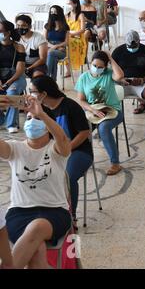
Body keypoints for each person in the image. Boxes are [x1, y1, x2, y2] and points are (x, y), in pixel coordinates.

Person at [0, 94, 72, 269]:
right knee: (37, 252)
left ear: (47, 125)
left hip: (55, 212)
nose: (32, 120)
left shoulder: (56, 149)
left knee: (36, 227)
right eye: (29, 117)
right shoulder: (15, 148)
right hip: (19, 213)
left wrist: (42, 114)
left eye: (36, 118)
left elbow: (63, 140)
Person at [30, 76, 93, 229]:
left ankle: (71, 217)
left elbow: (84, 132)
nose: (30, 94)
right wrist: (33, 115)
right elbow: (36, 135)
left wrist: (67, 148)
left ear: (43, 94)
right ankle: (45, 214)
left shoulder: (70, 106)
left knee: (67, 177)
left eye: (33, 91)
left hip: (78, 151)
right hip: (53, 152)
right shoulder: (41, 110)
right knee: (33, 174)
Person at [75, 51, 125, 176]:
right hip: (93, 111)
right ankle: (80, 160)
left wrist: (110, 58)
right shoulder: (83, 78)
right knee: (79, 129)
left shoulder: (108, 74)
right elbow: (81, 100)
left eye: (100, 67)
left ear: (105, 67)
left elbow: (119, 75)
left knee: (103, 128)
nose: (96, 68)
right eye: (94, 65)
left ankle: (115, 163)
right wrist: (93, 110)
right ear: (90, 63)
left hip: (112, 110)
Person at [112, 30, 145, 139]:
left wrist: (142, 80)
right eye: (130, 46)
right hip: (122, 82)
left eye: (135, 45)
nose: (132, 48)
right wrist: (120, 80)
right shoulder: (118, 52)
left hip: (142, 81)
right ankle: (105, 125)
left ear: (139, 42)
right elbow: (111, 73)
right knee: (106, 91)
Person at [0, 20, 27, 134]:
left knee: (12, 93)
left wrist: (7, 83)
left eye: (2, 31)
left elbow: (20, 70)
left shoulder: (19, 47)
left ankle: (11, 124)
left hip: (16, 77)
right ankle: (2, 121)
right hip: (1, 77)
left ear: (9, 32)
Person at [43, 5, 70, 81]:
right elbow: (44, 40)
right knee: (53, 57)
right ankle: (53, 81)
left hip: (62, 51)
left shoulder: (65, 26)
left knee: (51, 53)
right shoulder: (47, 26)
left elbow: (66, 42)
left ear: (59, 13)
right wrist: (53, 47)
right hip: (49, 48)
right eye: (51, 12)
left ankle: (46, 78)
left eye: (55, 12)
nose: (53, 14)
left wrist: (56, 47)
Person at [65, 0, 87, 78]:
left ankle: (69, 68)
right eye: (67, 4)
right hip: (69, 37)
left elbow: (82, 30)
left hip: (79, 38)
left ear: (75, 4)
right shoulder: (66, 15)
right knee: (63, 44)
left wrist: (71, 34)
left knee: (69, 43)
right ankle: (67, 68)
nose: (68, 6)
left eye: (69, 4)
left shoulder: (81, 15)